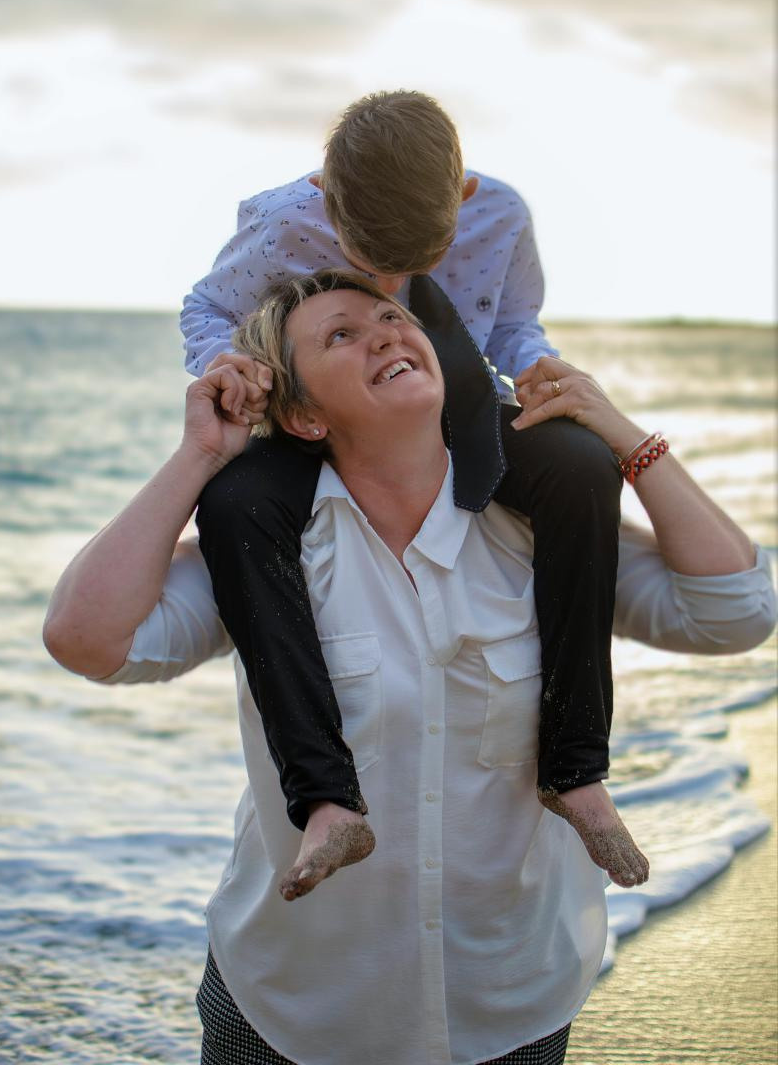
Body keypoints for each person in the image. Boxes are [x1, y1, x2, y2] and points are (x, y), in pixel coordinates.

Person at [44, 271, 776, 1065]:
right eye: (341, 335)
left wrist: (630, 442)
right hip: (289, 1009)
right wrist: (198, 458)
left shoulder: (536, 538)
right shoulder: (270, 548)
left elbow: (735, 612)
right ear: (302, 413)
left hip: (507, 1004)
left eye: (392, 317)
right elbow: (86, 639)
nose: (386, 333)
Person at [179, 89, 640, 892]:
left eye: (410, 267)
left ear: (461, 198)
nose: (389, 284)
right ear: (326, 190)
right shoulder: (279, 219)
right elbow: (208, 307)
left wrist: (537, 365)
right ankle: (326, 800)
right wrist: (225, 363)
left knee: (581, 465)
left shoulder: (500, 215)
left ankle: (577, 769)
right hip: (312, 414)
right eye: (366, 260)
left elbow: (512, 325)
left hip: (449, 403)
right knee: (231, 505)